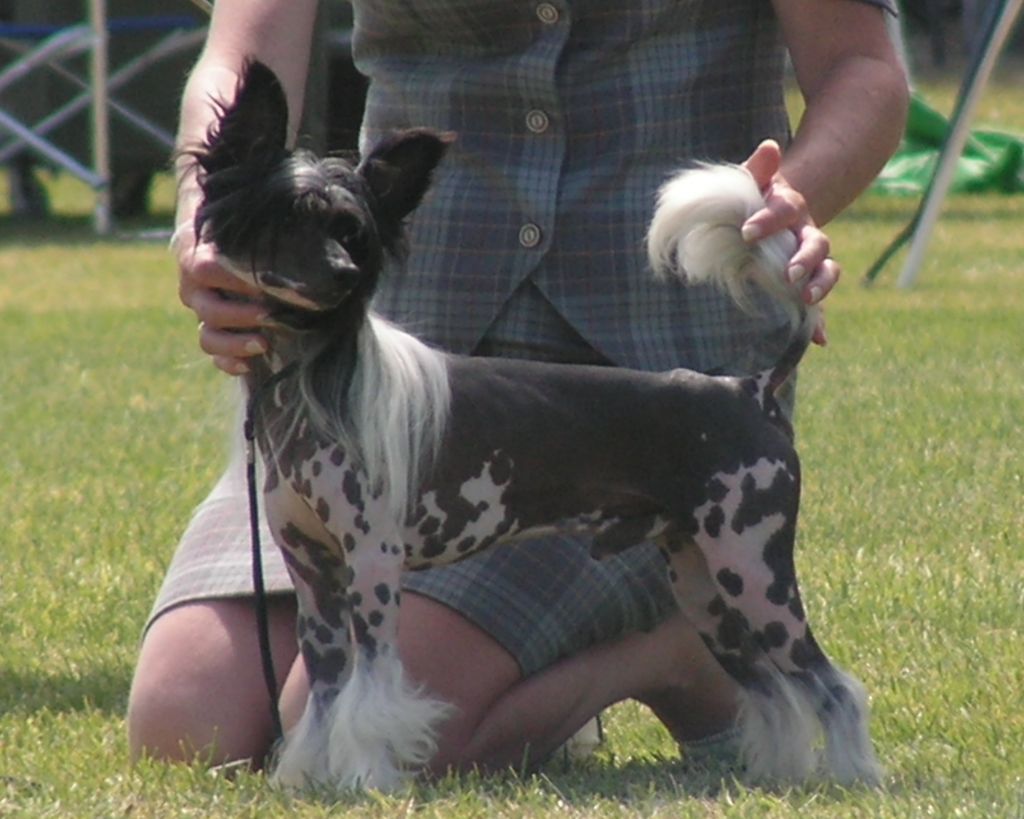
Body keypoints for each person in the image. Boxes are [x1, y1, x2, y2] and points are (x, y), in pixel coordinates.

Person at [127, 0, 909, 776]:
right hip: (380, 372)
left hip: (646, 395)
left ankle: (670, 652)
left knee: (392, 737)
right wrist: (206, 226)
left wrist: (788, 205)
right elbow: (241, 56)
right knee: (183, 721)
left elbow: (861, 65)